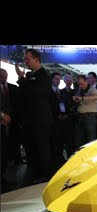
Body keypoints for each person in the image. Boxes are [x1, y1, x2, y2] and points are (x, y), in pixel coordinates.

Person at [15, 48, 54, 184]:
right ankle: (35, 174)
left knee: (42, 148)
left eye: (27, 59)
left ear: (36, 59)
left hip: (40, 120)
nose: (25, 62)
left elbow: (36, 93)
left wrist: (21, 79)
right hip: (28, 120)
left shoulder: (45, 75)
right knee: (31, 149)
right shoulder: (29, 76)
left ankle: (46, 175)